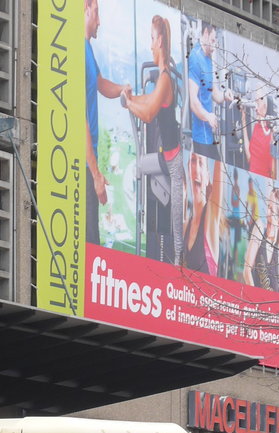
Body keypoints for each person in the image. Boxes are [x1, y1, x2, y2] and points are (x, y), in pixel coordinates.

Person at [122, 15, 184, 265]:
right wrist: (131, 98)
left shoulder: (166, 79)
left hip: (175, 164)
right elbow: (147, 102)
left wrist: (129, 102)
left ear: (159, 41)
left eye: (151, 39)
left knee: (177, 232)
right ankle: (140, 231)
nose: (149, 44)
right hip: (163, 159)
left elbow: (148, 114)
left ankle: (179, 269)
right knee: (137, 167)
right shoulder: (162, 78)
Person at [85, 0, 128, 246]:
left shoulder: (87, 49)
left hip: (88, 160)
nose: (100, 21)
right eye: (97, 13)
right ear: (86, 7)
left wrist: (123, 89)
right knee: (90, 240)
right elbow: (80, 120)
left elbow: (100, 83)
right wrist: (96, 174)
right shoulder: (79, 50)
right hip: (82, 162)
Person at [187, 22, 227, 160]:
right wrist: (208, 116)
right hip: (200, 136)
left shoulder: (208, 59)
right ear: (205, 33)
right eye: (213, 40)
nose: (215, 46)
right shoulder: (195, 58)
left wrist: (225, 96)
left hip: (209, 135)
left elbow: (214, 93)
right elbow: (193, 102)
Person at [185, 152, 224, 278]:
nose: (196, 169)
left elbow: (220, 161)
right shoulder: (185, 225)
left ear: (208, 177)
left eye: (201, 163)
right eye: (193, 161)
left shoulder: (211, 216)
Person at [243, 186, 279, 292]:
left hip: (271, 306)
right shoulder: (259, 228)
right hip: (254, 301)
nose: (268, 213)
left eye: (272, 210)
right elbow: (246, 270)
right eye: (268, 207)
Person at [243, 88, 276, 179]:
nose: (255, 107)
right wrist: (243, 121)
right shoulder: (258, 127)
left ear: (265, 106)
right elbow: (250, 158)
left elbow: (273, 169)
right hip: (254, 179)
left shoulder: (271, 131)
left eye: (258, 102)